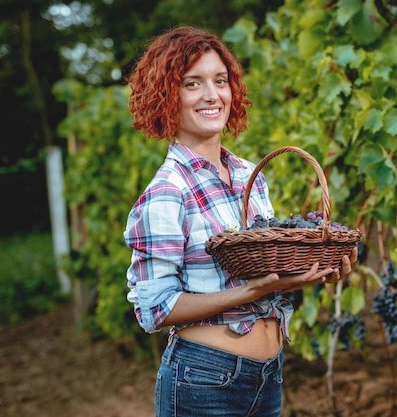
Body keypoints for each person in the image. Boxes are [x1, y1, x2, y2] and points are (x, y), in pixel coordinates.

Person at [123, 26, 357, 417]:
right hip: (203, 379)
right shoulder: (167, 192)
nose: (212, 95)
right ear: (167, 96)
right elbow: (155, 310)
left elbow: (269, 270)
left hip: (268, 375)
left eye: (220, 80)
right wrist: (252, 292)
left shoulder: (251, 176)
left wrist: (314, 272)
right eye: (192, 83)